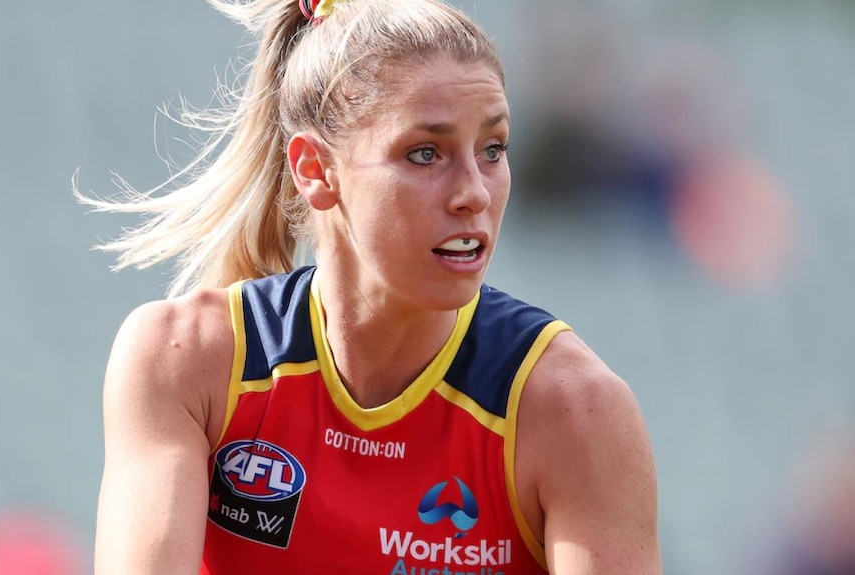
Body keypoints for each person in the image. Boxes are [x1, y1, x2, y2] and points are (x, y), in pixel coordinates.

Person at [80, 0, 661, 573]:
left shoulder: (575, 412)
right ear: (315, 170)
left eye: (493, 150)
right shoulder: (184, 359)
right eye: (425, 153)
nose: (475, 194)